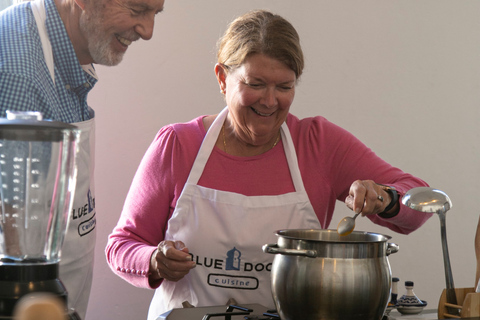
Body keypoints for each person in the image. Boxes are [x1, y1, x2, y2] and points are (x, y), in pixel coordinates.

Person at [105, 9, 433, 320]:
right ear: (222, 78)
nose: (270, 101)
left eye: (284, 87)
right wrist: (153, 261)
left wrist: (386, 198)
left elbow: (420, 201)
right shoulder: (178, 145)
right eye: (256, 84)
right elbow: (121, 245)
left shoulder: (318, 144)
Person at [0, 0, 165, 318]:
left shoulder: (66, 58)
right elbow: (9, 228)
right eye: (137, 9)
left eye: (154, 13)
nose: (148, 31)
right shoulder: (17, 70)